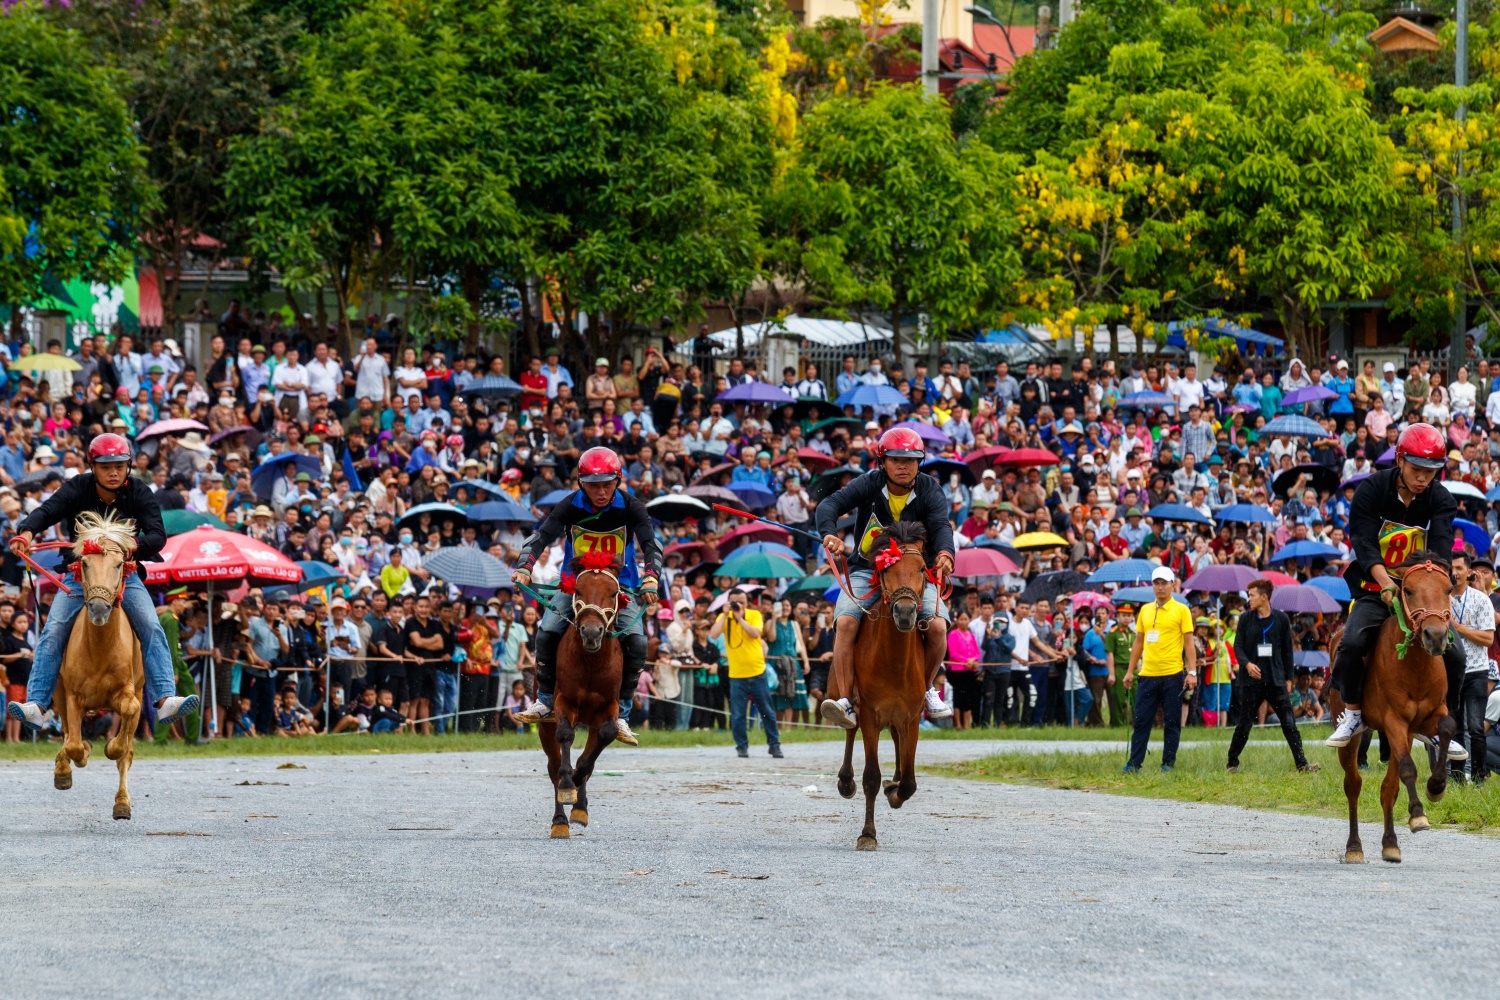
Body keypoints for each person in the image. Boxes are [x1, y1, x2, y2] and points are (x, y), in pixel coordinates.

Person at [6, 433, 198, 732]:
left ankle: (164, 700)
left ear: (128, 467)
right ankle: (37, 704)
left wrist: (126, 545)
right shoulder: (76, 488)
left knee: (150, 624)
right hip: (79, 573)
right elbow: (46, 511)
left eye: (120, 466)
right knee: (54, 627)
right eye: (106, 466)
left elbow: (157, 536)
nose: (113, 472)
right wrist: (27, 531)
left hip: (124, 574)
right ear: (92, 466)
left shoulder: (139, 491)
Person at [1324, 423, 1468, 759]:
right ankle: (1354, 713)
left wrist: (1435, 580)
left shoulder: (1441, 499)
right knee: (1353, 642)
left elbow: (1443, 545)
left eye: (1430, 473)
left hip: (1420, 591)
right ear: (1400, 460)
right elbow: (1362, 541)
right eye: (1416, 470)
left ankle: (1442, 726)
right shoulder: (1371, 490)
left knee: (1457, 654)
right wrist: (1387, 582)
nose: (1422, 479)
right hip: (1375, 586)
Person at [510, 447, 660, 745]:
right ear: (581, 483)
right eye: (593, 485)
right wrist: (525, 566)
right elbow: (543, 535)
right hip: (575, 584)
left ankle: (622, 716)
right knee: (547, 631)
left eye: (607, 484)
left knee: (639, 642)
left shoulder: (632, 507)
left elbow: (650, 544)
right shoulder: (569, 506)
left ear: (617, 480)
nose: (601, 491)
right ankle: (544, 701)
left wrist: (652, 577)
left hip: (620, 585)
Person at [814, 426, 955, 729]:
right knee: (846, 622)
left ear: (920, 462)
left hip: (913, 573)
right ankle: (846, 701)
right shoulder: (868, 483)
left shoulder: (930, 488)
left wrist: (945, 552)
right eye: (895, 459)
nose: (903, 466)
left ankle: (928, 688)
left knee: (939, 628)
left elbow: (941, 525)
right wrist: (829, 534)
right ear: (882, 461)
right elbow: (829, 505)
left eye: (910, 460)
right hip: (867, 569)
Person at [1226, 579, 1316, 772]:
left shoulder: (1282, 619)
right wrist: (1247, 664)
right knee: (1244, 725)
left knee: (1289, 723)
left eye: (1251, 595)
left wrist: (1289, 679)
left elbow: (1287, 651)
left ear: (1264, 597)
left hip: (1276, 680)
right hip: (1252, 681)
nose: (1248, 599)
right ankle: (1232, 762)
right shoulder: (1245, 619)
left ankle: (1302, 764)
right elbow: (1238, 647)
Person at [1122, 567, 1195, 772]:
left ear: (1173, 584)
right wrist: (1130, 671)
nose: (1160, 587)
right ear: (1152, 585)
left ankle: (1168, 763)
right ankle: (1134, 763)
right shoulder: (1145, 610)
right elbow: (1139, 641)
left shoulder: (1182, 610)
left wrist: (1192, 672)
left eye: (1164, 583)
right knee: (1141, 721)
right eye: (1157, 583)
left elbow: (1189, 643)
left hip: (1172, 674)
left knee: (1172, 722)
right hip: (1147, 674)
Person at [710, 589, 783, 758]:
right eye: (735, 601)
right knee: (737, 714)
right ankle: (741, 746)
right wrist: (725, 614)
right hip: (736, 674)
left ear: (747, 603)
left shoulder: (754, 614)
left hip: (757, 671)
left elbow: (756, 633)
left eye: (742, 602)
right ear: (728, 602)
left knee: (767, 711)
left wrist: (739, 618)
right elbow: (713, 635)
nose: (738, 605)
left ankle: (774, 745)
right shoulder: (724, 616)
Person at [1447, 552, 1493, 782]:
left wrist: (1458, 628)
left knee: (1476, 727)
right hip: (1451, 670)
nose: (1455, 573)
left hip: (1476, 670)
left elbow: (1488, 639)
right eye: (1451, 569)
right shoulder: (1441, 599)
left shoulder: (1481, 599)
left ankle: (1478, 777)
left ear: (1468, 571)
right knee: (1454, 728)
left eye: (1459, 568)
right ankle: (1456, 777)